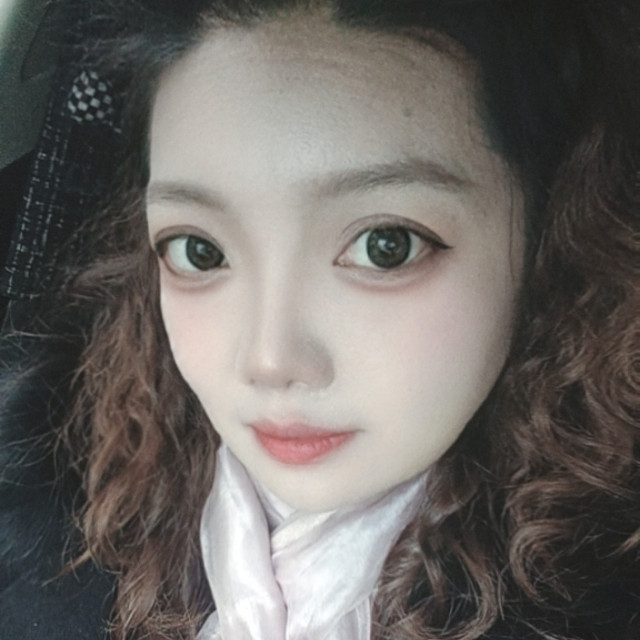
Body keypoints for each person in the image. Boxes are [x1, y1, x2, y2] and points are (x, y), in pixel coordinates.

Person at [1, 1, 639, 639]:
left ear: (547, 240)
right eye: (199, 251)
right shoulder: (58, 526)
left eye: (385, 246)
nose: (270, 360)